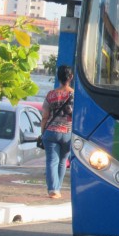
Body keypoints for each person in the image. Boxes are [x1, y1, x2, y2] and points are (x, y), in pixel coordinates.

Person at [41, 65, 74, 199]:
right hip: (68, 132)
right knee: (62, 161)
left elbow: (45, 116)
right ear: (71, 77)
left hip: (51, 132)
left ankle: (53, 189)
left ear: (58, 77)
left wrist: (43, 131)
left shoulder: (51, 94)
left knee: (52, 161)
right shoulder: (75, 95)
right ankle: (57, 189)